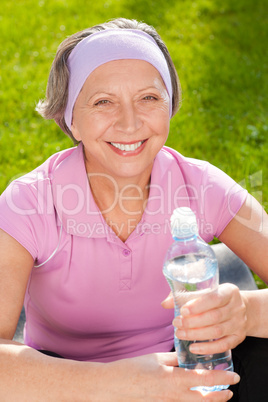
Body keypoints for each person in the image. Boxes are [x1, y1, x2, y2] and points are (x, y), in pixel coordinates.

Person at [0, 17, 267, 401]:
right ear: (70, 118)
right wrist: (121, 385)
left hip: (189, 370)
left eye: (149, 98)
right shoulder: (29, 203)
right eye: (103, 102)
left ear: (170, 106)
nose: (129, 122)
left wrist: (248, 311)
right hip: (64, 384)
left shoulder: (202, 185)